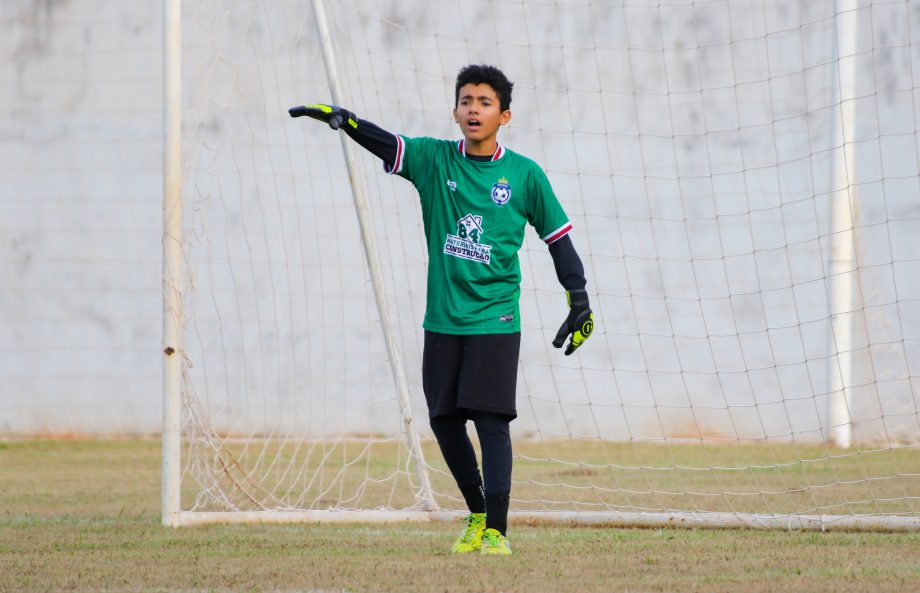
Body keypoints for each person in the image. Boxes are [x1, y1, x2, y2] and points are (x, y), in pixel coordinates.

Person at [290, 64, 594, 556]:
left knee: (490, 422)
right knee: (443, 418)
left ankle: (497, 530)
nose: (474, 109)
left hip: (496, 319)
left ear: (505, 115)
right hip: (443, 320)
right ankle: (476, 513)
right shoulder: (434, 161)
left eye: (485, 102)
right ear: (455, 110)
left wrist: (578, 299)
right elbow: (390, 144)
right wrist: (346, 122)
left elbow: (559, 240)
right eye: (466, 100)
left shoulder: (524, 175)